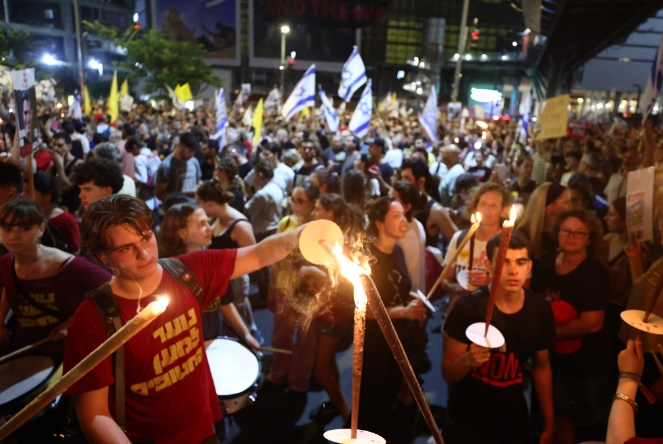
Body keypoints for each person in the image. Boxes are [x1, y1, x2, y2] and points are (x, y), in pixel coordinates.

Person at [63, 194, 307, 444]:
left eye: (146, 238)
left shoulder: (189, 272)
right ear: (103, 256)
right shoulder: (92, 320)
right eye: (125, 248)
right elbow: (94, 414)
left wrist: (307, 233)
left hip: (203, 427)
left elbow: (258, 254)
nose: (143, 254)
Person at [441, 230, 555, 444]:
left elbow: (542, 367)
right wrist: (468, 360)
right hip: (466, 422)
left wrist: (549, 425)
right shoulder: (468, 307)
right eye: (504, 262)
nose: (513, 271)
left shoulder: (540, 309)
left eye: (520, 262)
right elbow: (448, 372)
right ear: (489, 264)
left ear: (529, 266)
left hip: (512, 421)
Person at [530, 209, 611, 444]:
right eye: (566, 230)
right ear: (557, 232)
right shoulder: (547, 263)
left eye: (579, 232)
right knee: (549, 418)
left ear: (589, 238)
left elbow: (592, 324)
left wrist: (543, 334)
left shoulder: (594, 273)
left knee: (568, 423)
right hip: (549, 361)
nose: (571, 236)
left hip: (582, 365)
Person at [0, 199, 111, 361]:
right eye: (7, 228)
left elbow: (114, 289)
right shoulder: (5, 263)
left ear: (41, 229)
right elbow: (8, 287)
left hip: (68, 350)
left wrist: (73, 322)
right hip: (25, 350)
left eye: (25, 228)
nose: (14, 236)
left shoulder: (70, 265)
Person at [358, 196, 425, 440]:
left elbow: (399, 289)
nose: (403, 220)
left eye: (403, 215)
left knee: (389, 392)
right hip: (376, 341)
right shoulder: (367, 258)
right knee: (371, 396)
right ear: (379, 223)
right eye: (396, 216)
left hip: (399, 336)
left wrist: (414, 301)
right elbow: (362, 308)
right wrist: (403, 311)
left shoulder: (397, 251)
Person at [158, 201, 260, 349]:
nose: (210, 228)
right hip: (188, 349)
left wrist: (245, 333)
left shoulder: (213, 262)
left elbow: (225, 303)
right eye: (202, 224)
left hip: (215, 342)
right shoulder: (165, 273)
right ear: (182, 233)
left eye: (208, 222)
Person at [306, 194, 358, 422]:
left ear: (330, 213)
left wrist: (312, 272)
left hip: (334, 313)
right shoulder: (324, 238)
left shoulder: (341, 243)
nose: (313, 213)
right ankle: (337, 403)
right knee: (327, 363)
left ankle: (347, 415)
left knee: (320, 371)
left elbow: (345, 284)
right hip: (323, 310)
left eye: (317, 209)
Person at [266, 181, 320, 399]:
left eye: (301, 201)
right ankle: (279, 371)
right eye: (293, 200)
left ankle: (299, 380)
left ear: (312, 203)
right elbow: (275, 259)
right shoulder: (286, 222)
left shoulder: (319, 229)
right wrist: (272, 288)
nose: (295, 205)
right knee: (281, 335)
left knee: (306, 340)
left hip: (308, 293)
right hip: (285, 288)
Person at [196, 179, 262, 345]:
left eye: (200, 204)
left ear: (209, 203)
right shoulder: (217, 218)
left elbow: (255, 259)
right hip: (223, 279)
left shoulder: (240, 226)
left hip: (234, 281)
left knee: (236, 313)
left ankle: (250, 337)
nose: (199, 208)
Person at [442, 183, 512, 308]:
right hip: (461, 309)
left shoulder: (509, 243)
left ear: (504, 211)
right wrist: (454, 287)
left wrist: (490, 283)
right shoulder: (460, 238)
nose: (486, 210)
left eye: (493, 206)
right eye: (483, 204)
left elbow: (523, 288)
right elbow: (444, 279)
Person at [401, 158, 456, 246]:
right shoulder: (400, 203)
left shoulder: (435, 210)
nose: (402, 182)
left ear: (421, 181)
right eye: (402, 178)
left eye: (407, 178)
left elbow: (458, 241)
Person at [517, 183, 572, 262]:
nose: (571, 207)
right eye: (567, 202)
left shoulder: (567, 233)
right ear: (550, 207)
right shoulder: (522, 236)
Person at [27, 171, 81, 252]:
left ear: (47, 196)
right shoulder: (25, 217)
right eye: (23, 192)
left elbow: (75, 249)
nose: (23, 196)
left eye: (29, 192)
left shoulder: (65, 219)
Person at [391, 180, 427, 293]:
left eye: (392, 200)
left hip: (408, 295)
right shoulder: (417, 224)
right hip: (418, 293)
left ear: (406, 207)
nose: (387, 203)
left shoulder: (398, 231)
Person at [155, 132, 202, 201]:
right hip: (175, 207)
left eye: (194, 152)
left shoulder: (194, 161)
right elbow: (160, 194)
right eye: (190, 151)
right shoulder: (166, 166)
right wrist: (185, 194)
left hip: (193, 206)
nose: (192, 154)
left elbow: (197, 182)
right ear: (181, 146)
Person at [244, 162, 283, 240]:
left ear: (260, 175)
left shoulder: (262, 194)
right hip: (274, 230)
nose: (254, 179)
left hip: (262, 233)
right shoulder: (277, 188)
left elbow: (247, 211)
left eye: (255, 175)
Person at [49, 132, 84, 213]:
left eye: (60, 145)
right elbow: (47, 181)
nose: (55, 148)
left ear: (69, 147)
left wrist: (60, 165)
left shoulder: (79, 164)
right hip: (56, 206)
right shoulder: (54, 162)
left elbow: (66, 187)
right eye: (53, 145)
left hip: (72, 208)